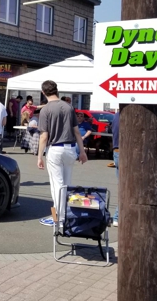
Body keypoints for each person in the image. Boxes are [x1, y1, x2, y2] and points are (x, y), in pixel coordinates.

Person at [37, 80, 87, 227]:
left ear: (43, 92)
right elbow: (76, 131)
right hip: (70, 148)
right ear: (56, 90)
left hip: (55, 148)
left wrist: (40, 156)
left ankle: (58, 218)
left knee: (56, 184)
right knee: (67, 184)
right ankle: (66, 215)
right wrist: (82, 151)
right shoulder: (68, 107)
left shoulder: (45, 110)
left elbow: (44, 136)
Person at [111, 111, 120, 227]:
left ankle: (118, 216)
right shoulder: (128, 113)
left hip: (117, 151)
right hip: (125, 151)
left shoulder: (117, 115)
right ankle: (117, 216)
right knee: (127, 186)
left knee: (123, 185)